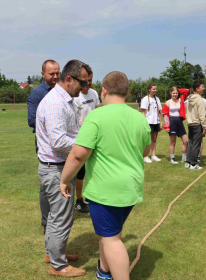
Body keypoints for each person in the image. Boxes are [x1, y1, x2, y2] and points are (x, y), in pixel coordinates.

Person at [60, 71, 151, 280]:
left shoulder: (96, 116)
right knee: (110, 233)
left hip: (106, 191)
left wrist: (64, 180)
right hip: (130, 189)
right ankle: (104, 272)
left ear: (104, 90)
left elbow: (78, 154)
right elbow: (145, 151)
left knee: (111, 240)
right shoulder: (139, 117)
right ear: (127, 92)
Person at [36, 59, 88, 277]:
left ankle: (53, 254)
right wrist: (87, 146)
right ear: (69, 79)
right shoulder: (57, 103)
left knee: (56, 216)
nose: (85, 87)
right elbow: (58, 141)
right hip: (55, 168)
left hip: (55, 167)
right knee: (61, 218)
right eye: (82, 82)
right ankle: (58, 265)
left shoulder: (62, 100)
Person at [27, 59, 60, 233]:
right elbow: (31, 120)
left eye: (57, 73)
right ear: (42, 74)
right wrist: (54, 122)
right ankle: (46, 218)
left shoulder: (61, 91)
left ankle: (52, 215)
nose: (55, 76)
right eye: (51, 73)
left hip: (59, 141)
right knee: (46, 183)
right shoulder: (37, 94)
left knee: (55, 179)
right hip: (45, 143)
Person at [73, 66, 100, 213]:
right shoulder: (75, 96)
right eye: (86, 80)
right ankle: (78, 200)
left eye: (91, 80)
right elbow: (75, 121)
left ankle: (90, 196)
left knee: (93, 168)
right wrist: (89, 124)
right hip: (81, 137)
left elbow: (97, 112)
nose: (88, 83)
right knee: (81, 171)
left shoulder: (94, 93)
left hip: (94, 137)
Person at [162, 87, 189, 164]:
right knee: (173, 142)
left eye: (176, 93)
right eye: (173, 93)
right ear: (170, 93)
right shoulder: (168, 102)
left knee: (186, 141)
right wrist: (167, 126)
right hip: (172, 121)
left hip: (179, 121)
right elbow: (165, 114)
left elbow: (187, 91)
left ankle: (184, 157)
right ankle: (172, 158)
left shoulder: (180, 100)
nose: (175, 94)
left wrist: (178, 90)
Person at [185, 80, 206, 170]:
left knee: (191, 143)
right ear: (197, 89)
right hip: (197, 124)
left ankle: (188, 162)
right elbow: (202, 115)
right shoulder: (200, 100)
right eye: (202, 87)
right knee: (196, 145)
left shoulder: (189, 99)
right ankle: (193, 164)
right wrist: (204, 127)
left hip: (190, 124)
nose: (204, 88)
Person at [141, 83, 163, 163]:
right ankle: (145, 156)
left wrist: (160, 122)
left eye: (156, 89)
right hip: (148, 122)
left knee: (154, 139)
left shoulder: (157, 99)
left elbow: (159, 112)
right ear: (149, 89)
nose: (155, 90)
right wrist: (144, 123)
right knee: (147, 140)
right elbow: (143, 112)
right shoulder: (145, 99)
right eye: (154, 89)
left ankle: (153, 155)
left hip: (156, 121)